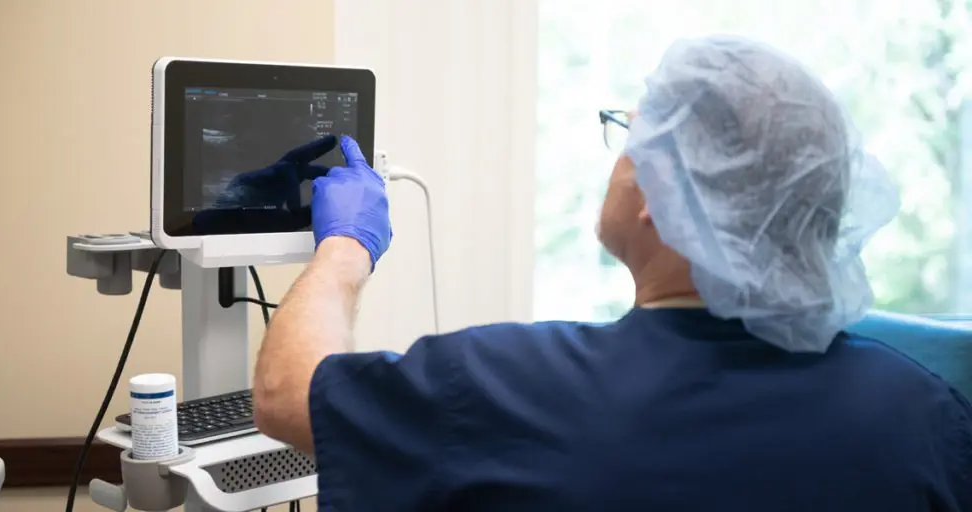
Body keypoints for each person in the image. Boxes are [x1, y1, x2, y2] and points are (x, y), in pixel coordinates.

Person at [252, 36, 972, 511]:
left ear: (666, 198)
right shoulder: (923, 412)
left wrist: (345, 246)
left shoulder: (508, 389)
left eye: (633, 134)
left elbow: (286, 394)